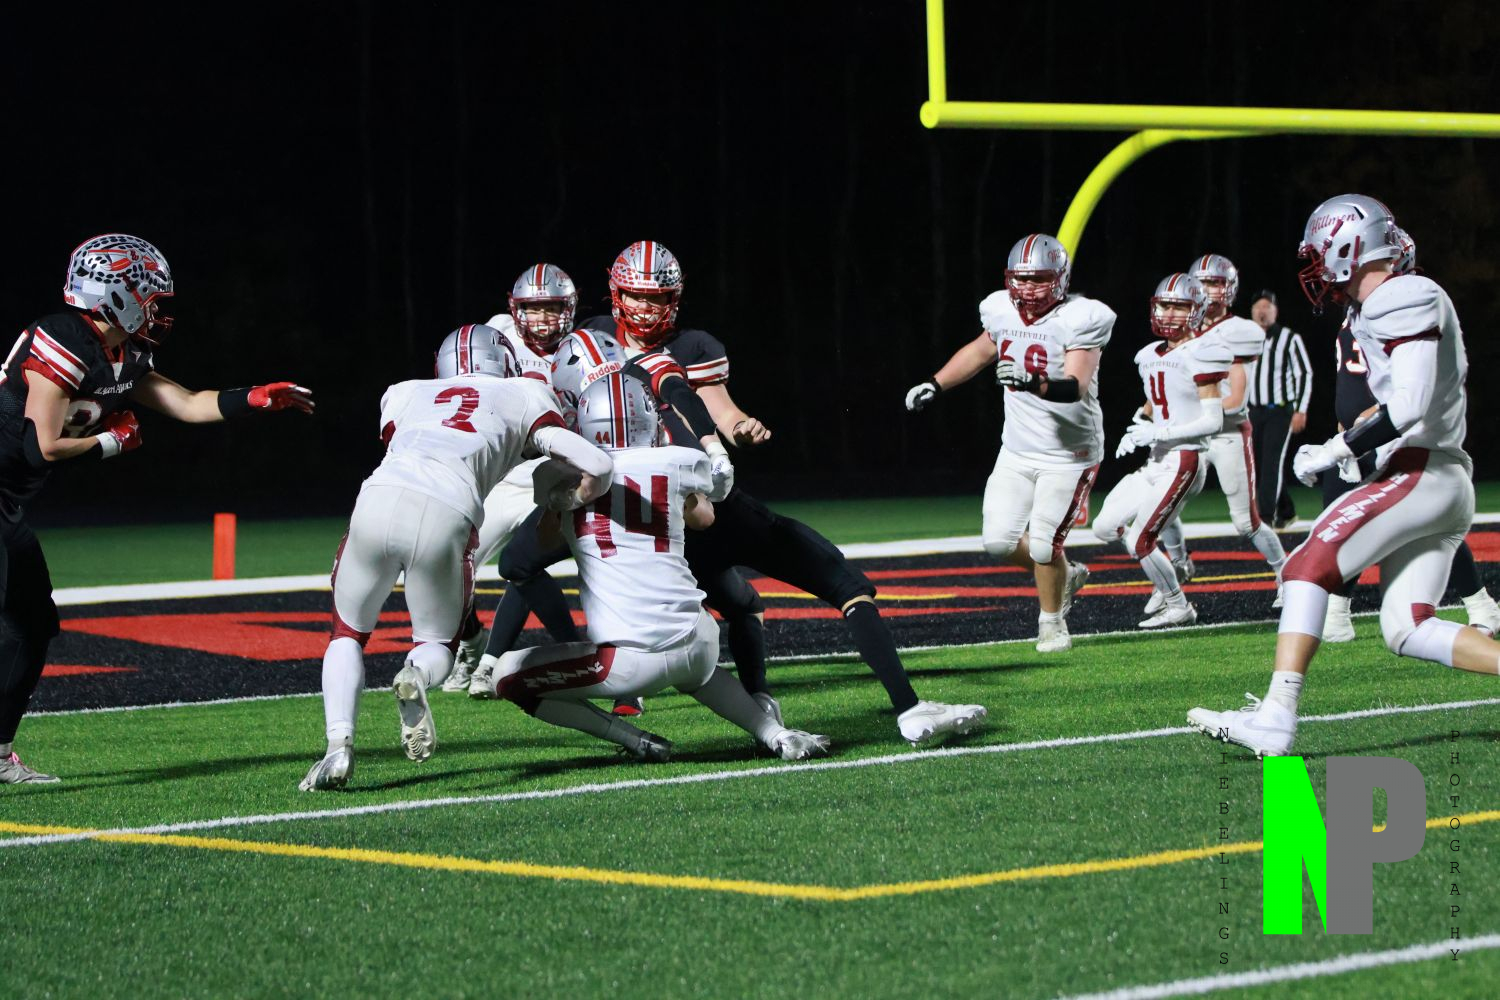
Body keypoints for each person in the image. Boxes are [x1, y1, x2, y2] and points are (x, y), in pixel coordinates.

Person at [559, 241, 986, 747]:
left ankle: (758, 704)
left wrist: (739, 429)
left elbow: (718, 410)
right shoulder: (595, 343)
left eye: (658, 298)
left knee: (738, 602)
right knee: (836, 582)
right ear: (616, 293)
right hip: (668, 512)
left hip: (657, 515)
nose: (647, 308)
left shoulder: (687, 347)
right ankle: (907, 710)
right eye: (638, 296)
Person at [1190, 194, 1500, 758]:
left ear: (1347, 248)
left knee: (1306, 566)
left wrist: (1333, 449)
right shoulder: (1383, 304)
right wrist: (1360, 435)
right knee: (1407, 627)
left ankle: (1276, 716)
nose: (1313, 268)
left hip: (1421, 472)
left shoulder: (1400, 295)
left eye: (1318, 253)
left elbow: (1410, 404)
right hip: (1435, 474)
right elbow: (1410, 397)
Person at [1, 233, 313, 785]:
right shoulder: (63, 338)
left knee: (32, 626)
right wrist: (112, 442)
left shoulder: (124, 353)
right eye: (148, 297)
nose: (156, 310)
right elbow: (40, 447)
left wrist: (256, 398)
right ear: (115, 294)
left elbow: (188, 404)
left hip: (9, 505)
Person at [300, 323, 612, 791]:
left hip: (377, 498)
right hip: (448, 509)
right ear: (504, 362)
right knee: (437, 646)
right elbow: (598, 464)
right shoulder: (525, 392)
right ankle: (415, 674)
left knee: (347, 633)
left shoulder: (404, 392)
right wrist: (572, 496)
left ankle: (337, 749)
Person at [472, 372, 830, 762]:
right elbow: (704, 518)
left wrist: (566, 506)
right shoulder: (677, 462)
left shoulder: (560, 474)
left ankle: (634, 739)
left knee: (506, 674)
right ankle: (777, 735)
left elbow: (543, 542)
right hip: (698, 638)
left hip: (627, 662)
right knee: (698, 673)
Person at [461, 256, 736, 711]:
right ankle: (498, 652)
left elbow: (675, 401)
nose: (542, 318)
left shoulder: (635, 360)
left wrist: (711, 448)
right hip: (572, 479)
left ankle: (649, 670)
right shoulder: (519, 343)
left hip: (622, 479)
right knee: (512, 563)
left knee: (637, 574)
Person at [905, 234, 1110, 653]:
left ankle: (1052, 623)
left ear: (1061, 279)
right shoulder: (1000, 309)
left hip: (1069, 454)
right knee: (998, 541)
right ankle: (1066, 574)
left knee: (1044, 544)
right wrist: (935, 384)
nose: (1029, 289)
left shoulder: (1081, 317)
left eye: (1039, 279)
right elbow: (981, 351)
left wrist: (1033, 382)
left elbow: (1075, 385)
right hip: (1016, 449)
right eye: (1022, 279)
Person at [1318, 227, 1500, 642]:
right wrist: (1345, 430)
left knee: (1407, 522)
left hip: (1388, 431)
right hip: (1356, 434)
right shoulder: (1357, 312)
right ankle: (1338, 610)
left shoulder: (1402, 306)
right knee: (1342, 517)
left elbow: (1402, 380)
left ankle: (1478, 603)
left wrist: (1371, 420)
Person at [1091, 274, 1231, 628]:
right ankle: (1175, 565)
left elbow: (1214, 420)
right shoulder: (1149, 355)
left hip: (1185, 458)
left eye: (1178, 307)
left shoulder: (1202, 352)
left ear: (1196, 310)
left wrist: (1160, 432)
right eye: (1164, 306)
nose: (1168, 314)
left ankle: (1178, 604)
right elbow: (1158, 398)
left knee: (1140, 539)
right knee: (1105, 527)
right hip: (1157, 459)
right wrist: (1138, 422)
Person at [1245, 291, 1313, 528]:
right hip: (1252, 411)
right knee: (1257, 465)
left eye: (1267, 307)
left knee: (1271, 462)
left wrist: (1300, 409)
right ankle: (1286, 510)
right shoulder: (1244, 339)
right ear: (1252, 311)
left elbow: (1303, 373)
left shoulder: (1289, 338)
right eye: (1258, 307)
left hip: (1279, 411)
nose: (1262, 311)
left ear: (1276, 311)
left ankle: (1264, 517)